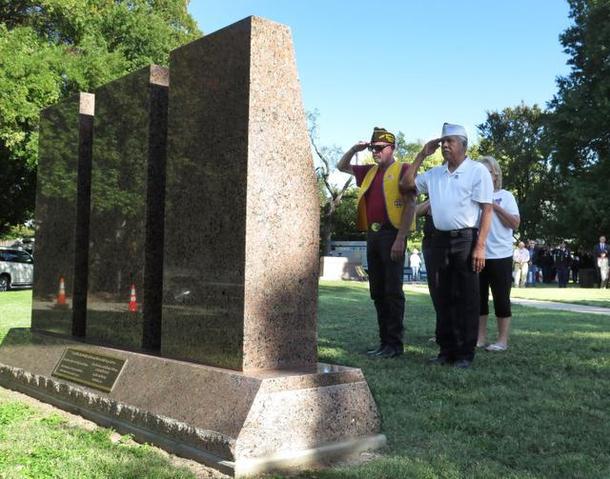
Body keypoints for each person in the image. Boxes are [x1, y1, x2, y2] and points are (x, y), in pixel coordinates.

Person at [402, 123, 493, 369]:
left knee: (466, 297)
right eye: (442, 141)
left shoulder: (477, 171)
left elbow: (487, 210)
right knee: (441, 296)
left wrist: (481, 246)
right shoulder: (435, 174)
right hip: (438, 241)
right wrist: (422, 155)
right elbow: (406, 185)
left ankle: (464, 354)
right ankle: (446, 350)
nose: (444, 145)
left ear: (463, 145)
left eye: (450, 141)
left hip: (466, 239)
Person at [337, 127, 415, 358]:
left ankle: (395, 344)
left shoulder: (404, 169)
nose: (375, 152)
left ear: (393, 148)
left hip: (393, 234)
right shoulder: (369, 172)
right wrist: (354, 149)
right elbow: (341, 166)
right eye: (373, 148)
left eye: (380, 148)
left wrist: (401, 238)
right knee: (378, 291)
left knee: (392, 291)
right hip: (373, 236)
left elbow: (411, 204)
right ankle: (384, 342)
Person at [476, 156, 520, 352]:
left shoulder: (506, 196)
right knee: (479, 299)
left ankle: (502, 341)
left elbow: (515, 223)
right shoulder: (473, 196)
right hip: (478, 254)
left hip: (501, 255)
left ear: (495, 176)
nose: (484, 176)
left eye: (488, 173)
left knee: (501, 299)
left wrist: (495, 206)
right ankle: (480, 338)